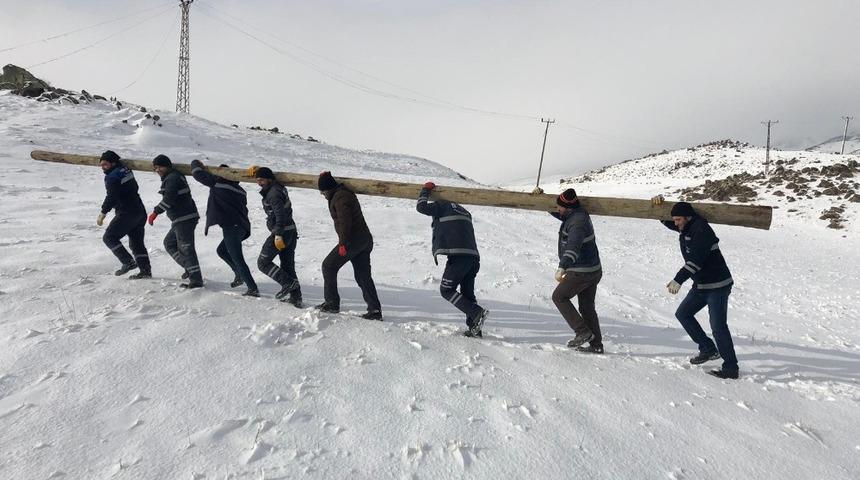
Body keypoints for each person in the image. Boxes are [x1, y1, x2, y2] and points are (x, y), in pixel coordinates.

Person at [652, 195, 739, 379]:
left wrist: (678, 280)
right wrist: (660, 209)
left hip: (718, 286)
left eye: (678, 220)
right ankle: (708, 349)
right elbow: (671, 223)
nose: (675, 224)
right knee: (683, 314)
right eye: (674, 220)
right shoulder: (687, 226)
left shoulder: (702, 230)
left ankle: (731, 368)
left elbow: (695, 261)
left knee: (718, 327)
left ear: (688, 217)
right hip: (702, 285)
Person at [416, 181, 488, 337]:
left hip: (459, 257)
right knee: (468, 294)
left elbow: (421, 207)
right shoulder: (465, 211)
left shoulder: (442, 205)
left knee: (446, 290)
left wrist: (425, 190)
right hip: (473, 258)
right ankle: (475, 329)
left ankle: (476, 312)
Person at [316, 171, 382, 319]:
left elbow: (345, 222)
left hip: (353, 240)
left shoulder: (340, 198)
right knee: (363, 276)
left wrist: (343, 244)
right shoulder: (341, 194)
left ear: (329, 189)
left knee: (328, 265)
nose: (322, 194)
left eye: (323, 191)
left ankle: (332, 303)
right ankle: (375, 310)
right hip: (364, 239)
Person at [190, 159, 258, 297]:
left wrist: (195, 163)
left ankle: (252, 288)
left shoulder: (218, 183)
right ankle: (239, 274)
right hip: (241, 227)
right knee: (221, 251)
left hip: (231, 227)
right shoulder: (240, 190)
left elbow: (197, 174)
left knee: (237, 258)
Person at [551, 188, 604, 353]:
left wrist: (563, 266)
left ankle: (583, 333)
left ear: (567, 208)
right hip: (593, 269)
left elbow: (573, 246)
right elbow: (561, 215)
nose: (557, 210)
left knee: (559, 297)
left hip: (582, 270)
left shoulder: (577, 223)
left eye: (559, 207)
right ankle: (596, 346)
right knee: (587, 307)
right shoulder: (576, 214)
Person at [148, 154, 203, 289]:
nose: (158, 170)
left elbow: (169, 199)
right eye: (155, 168)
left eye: (160, 166)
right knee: (169, 243)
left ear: (167, 166)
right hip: (181, 218)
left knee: (186, 249)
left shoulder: (172, 178)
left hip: (184, 218)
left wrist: (155, 212)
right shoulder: (171, 177)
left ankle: (196, 281)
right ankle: (190, 269)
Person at [97, 150, 151, 279]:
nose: (103, 168)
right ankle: (145, 271)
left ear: (113, 163)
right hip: (140, 211)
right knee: (136, 243)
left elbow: (112, 197)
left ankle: (128, 262)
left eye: (105, 164)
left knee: (109, 237)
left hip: (127, 212)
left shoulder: (112, 177)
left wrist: (103, 212)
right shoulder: (126, 170)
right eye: (101, 165)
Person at [252, 167, 302, 306]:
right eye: (257, 180)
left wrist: (278, 234)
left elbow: (280, 215)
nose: (259, 183)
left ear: (269, 179)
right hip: (291, 230)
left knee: (263, 263)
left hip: (282, 232)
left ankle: (287, 283)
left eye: (261, 180)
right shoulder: (277, 188)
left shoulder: (273, 194)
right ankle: (296, 298)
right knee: (287, 265)